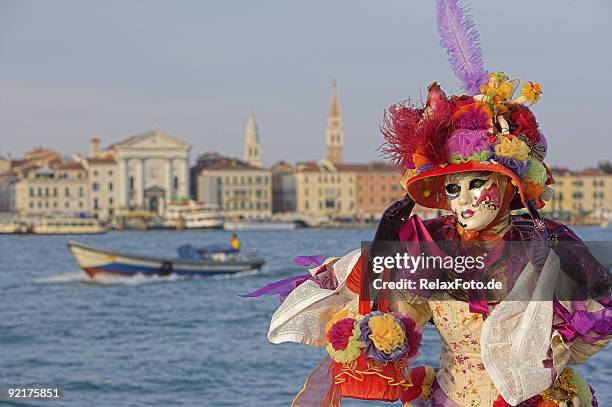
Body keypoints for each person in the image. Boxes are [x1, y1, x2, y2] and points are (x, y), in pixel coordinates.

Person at [252, 1, 612, 405]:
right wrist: (382, 268)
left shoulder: (548, 247)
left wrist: (550, 344)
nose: (464, 200)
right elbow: (397, 328)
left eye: (478, 183)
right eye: (453, 189)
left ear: (509, 185)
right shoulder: (432, 250)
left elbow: (596, 323)